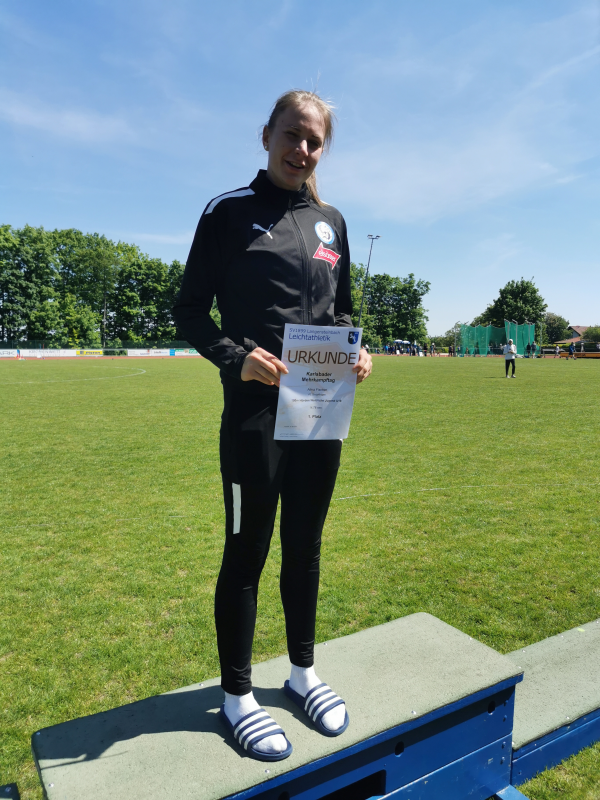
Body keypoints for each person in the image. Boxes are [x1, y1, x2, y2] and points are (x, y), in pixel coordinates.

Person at [173, 90, 372, 762]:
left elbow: (342, 311)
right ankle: (237, 697)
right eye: (292, 135)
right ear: (266, 135)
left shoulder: (332, 222)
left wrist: (357, 350)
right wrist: (237, 357)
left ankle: (302, 674)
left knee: (306, 546)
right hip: (254, 418)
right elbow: (189, 311)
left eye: (315, 141)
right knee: (247, 552)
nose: (302, 150)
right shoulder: (228, 212)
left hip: (320, 412)